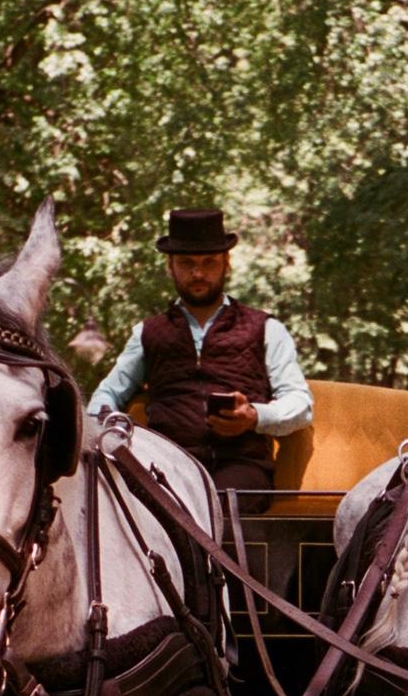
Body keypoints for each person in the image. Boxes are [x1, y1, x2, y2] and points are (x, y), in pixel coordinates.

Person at [86, 207, 313, 492]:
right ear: (170, 266)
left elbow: (300, 403)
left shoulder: (265, 328)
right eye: (187, 263)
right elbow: (107, 394)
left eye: (209, 262)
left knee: (217, 505)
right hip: (166, 465)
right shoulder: (148, 333)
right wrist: (108, 431)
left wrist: (254, 417)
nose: (198, 273)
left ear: (226, 264)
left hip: (240, 467)